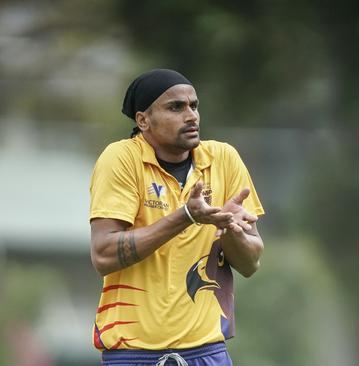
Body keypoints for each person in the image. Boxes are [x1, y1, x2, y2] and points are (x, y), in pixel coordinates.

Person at [89, 69, 265, 366]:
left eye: (194, 106)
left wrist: (232, 231)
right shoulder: (121, 159)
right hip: (133, 355)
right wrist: (186, 216)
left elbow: (250, 264)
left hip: (208, 352)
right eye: (175, 107)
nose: (191, 116)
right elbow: (104, 254)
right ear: (143, 120)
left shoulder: (223, 159)